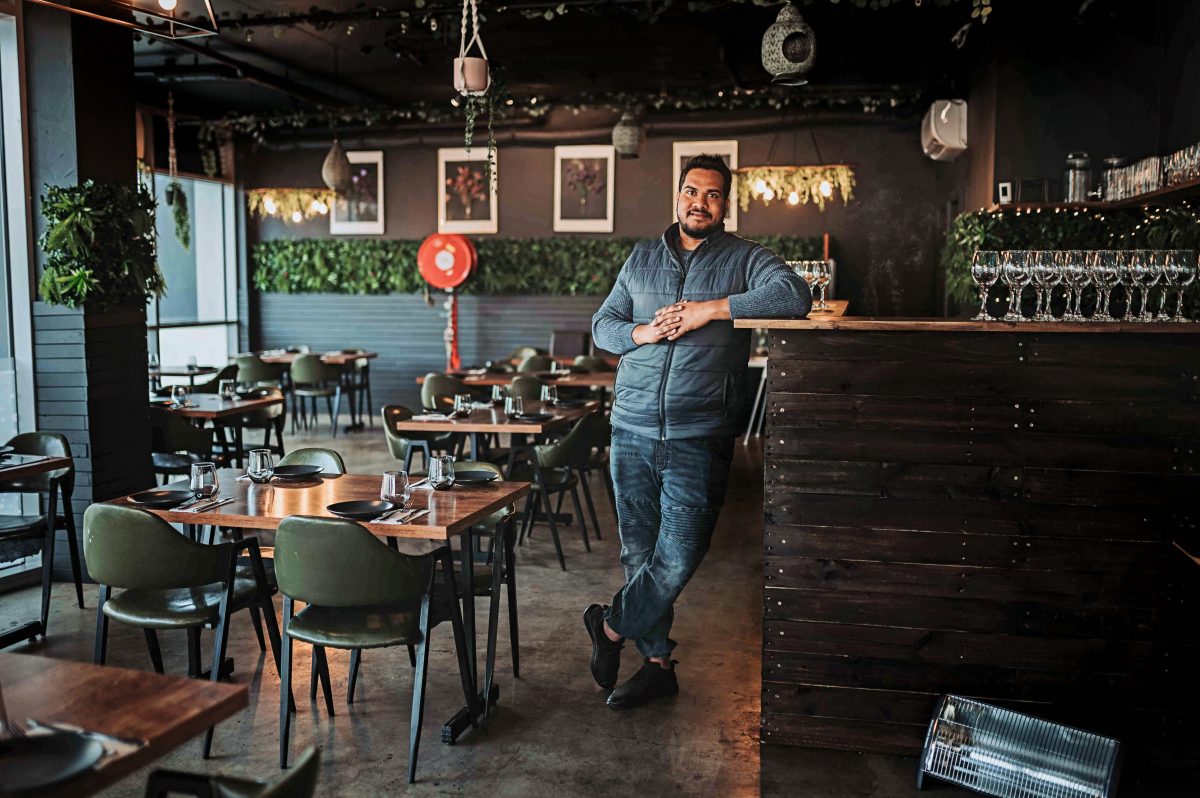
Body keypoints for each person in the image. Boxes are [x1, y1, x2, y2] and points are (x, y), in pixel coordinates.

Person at [586, 154, 811, 709]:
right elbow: (602, 327)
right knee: (639, 554)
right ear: (677, 196)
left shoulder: (746, 259)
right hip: (631, 428)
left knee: (680, 553)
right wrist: (642, 331)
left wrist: (710, 310)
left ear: (724, 204)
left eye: (712, 195)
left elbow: (795, 297)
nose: (700, 202)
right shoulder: (641, 258)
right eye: (692, 191)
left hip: (699, 432)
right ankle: (657, 666)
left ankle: (610, 627)